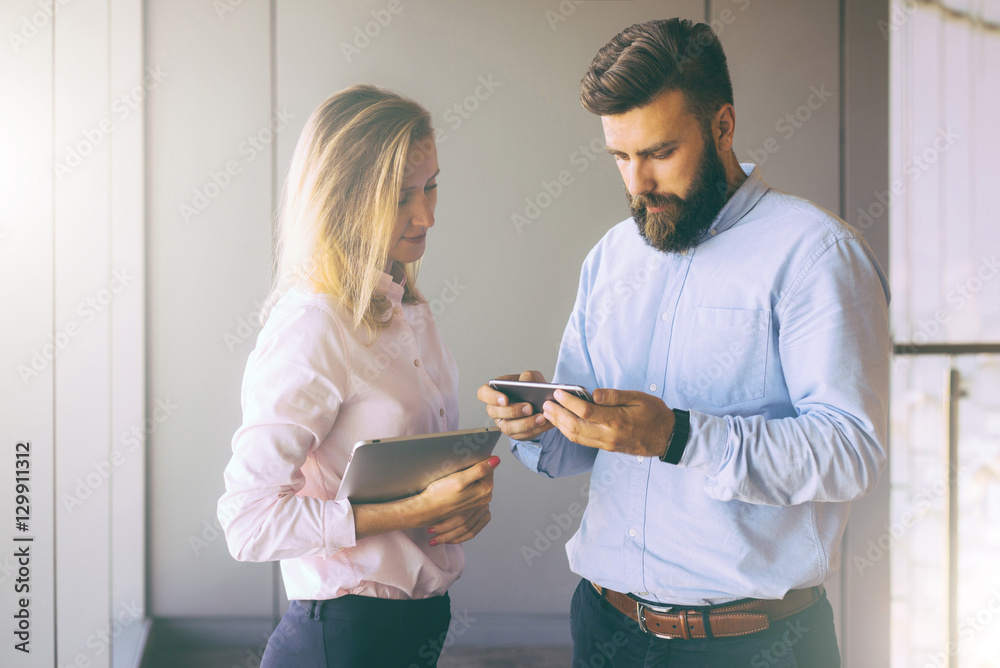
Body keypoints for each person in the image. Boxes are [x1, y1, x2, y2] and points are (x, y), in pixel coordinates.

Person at [478, 18, 890, 667]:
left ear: (723, 127)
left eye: (659, 152)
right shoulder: (612, 257)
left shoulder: (816, 255)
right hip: (605, 629)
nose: (637, 183)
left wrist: (678, 436)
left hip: (752, 647)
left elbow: (850, 453)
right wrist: (540, 424)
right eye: (621, 156)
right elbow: (583, 449)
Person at [218, 84, 499, 668]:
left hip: (415, 625)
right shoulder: (313, 325)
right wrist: (414, 510)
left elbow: (407, 470)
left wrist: (466, 503)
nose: (427, 214)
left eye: (432, 185)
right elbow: (247, 523)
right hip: (341, 638)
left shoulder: (407, 309)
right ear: (345, 201)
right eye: (401, 196)